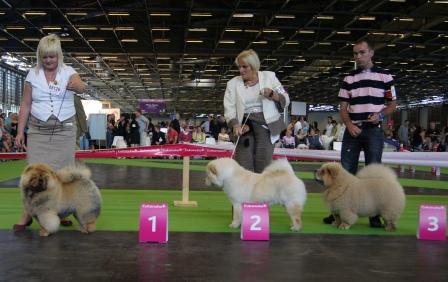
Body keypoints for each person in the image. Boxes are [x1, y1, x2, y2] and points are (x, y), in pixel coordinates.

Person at [13, 34, 86, 231]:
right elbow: (26, 105)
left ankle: (60, 212)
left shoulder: (69, 72)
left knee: (62, 176)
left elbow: (82, 86)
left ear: (59, 55)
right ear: (40, 56)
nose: (48, 60)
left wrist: (78, 86)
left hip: (64, 131)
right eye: (45, 57)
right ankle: (28, 213)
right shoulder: (32, 75)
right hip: (38, 131)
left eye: (52, 56)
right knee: (34, 177)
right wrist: (20, 132)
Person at [324, 39, 397, 227]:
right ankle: (338, 213)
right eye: (355, 54)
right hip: (352, 131)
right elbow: (342, 107)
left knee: (374, 175)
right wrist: (348, 125)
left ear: (371, 53)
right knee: (344, 174)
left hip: (374, 131)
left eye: (362, 52)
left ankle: (374, 214)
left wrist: (380, 115)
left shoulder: (386, 76)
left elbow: (392, 105)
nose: (358, 57)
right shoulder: (348, 78)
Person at [224, 49, 290, 172]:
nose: (241, 70)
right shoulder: (232, 84)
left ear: (254, 66)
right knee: (243, 165)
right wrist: (235, 125)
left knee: (263, 164)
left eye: (245, 67)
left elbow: (286, 99)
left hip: (266, 126)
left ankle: (263, 191)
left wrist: (272, 94)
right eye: (239, 67)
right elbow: (229, 108)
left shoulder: (270, 77)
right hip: (244, 126)